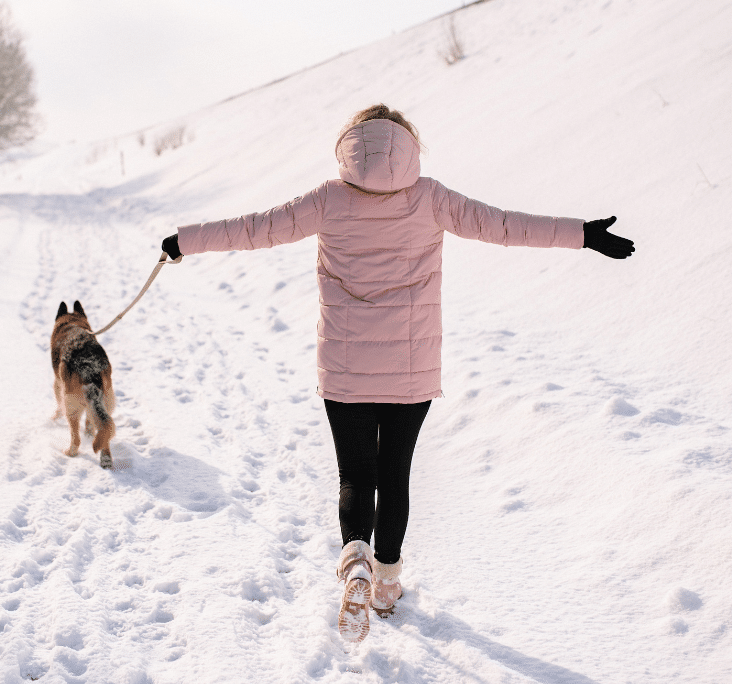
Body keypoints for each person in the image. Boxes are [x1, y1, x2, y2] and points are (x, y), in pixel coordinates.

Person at [160, 104, 634, 643]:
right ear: (408, 147)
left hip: (345, 369)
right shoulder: (431, 197)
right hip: (411, 370)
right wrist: (581, 233)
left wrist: (184, 241)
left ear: (351, 146)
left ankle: (355, 561)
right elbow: (504, 225)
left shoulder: (328, 199)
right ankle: (386, 585)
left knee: (355, 476)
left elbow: (253, 230)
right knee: (394, 474)